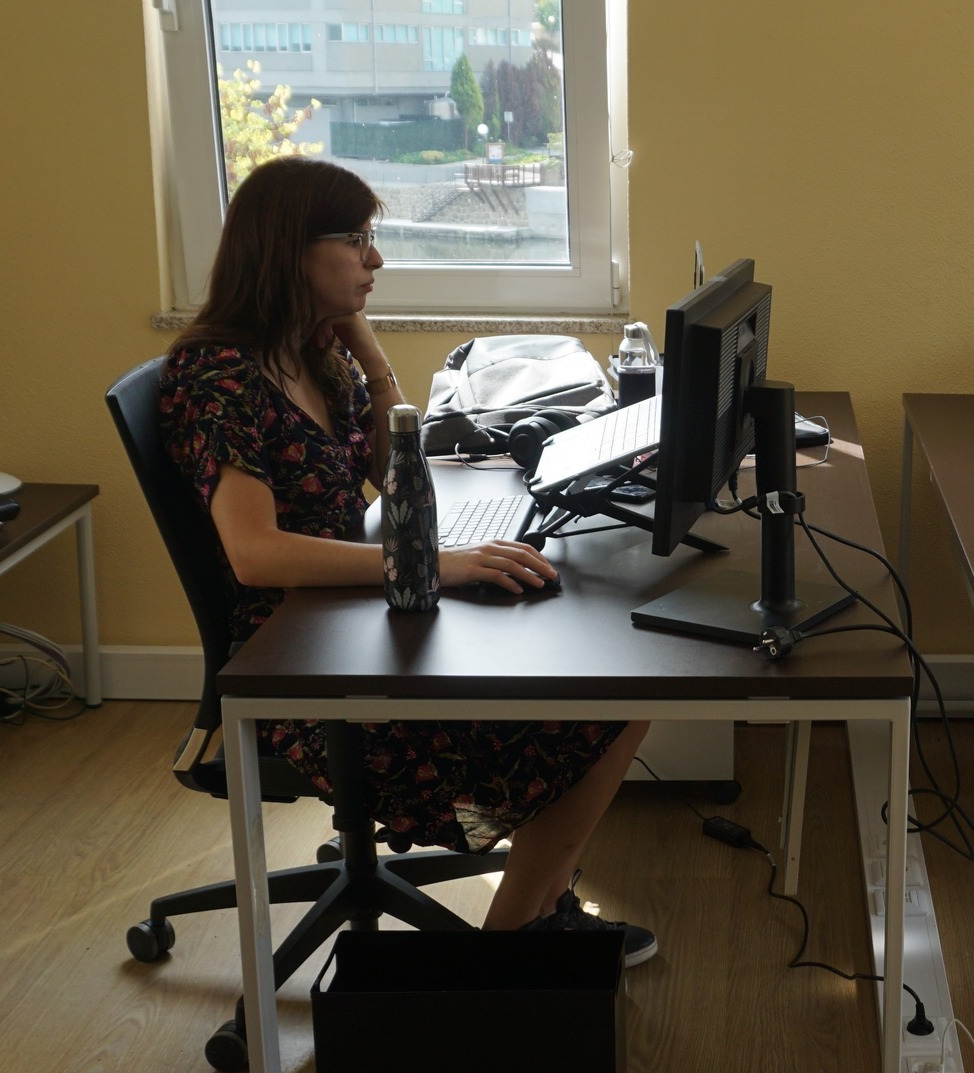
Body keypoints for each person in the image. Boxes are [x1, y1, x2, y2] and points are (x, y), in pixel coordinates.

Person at [158, 156, 656, 959]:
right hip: (301, 668)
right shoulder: (217, 376)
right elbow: (254, 555)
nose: (376, 259)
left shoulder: (311, 353)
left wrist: (363, 345)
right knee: (604, 699)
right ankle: (513, 946)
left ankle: (538, 915)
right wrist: (431, 566)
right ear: (289, 250)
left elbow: (396, 473)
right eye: (356, 241)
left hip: (356, 618)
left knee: (604, 674)